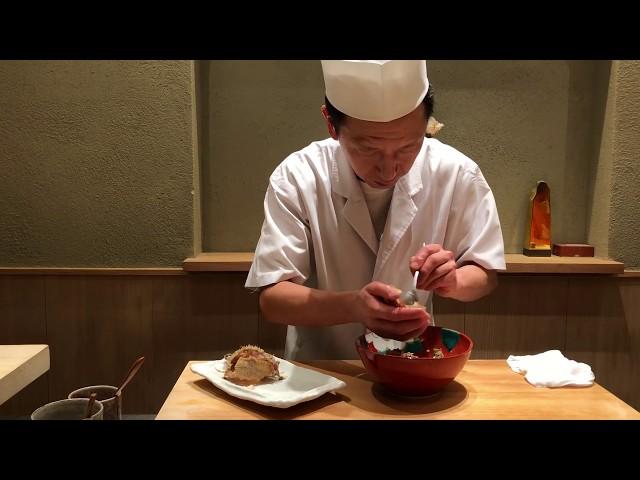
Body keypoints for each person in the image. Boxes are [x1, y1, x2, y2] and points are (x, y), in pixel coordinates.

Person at [246, 60, 505, 360]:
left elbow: (485, 274)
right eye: (369, 149)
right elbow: (273, 298)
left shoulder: (456, 172)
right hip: (321, 371)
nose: (389, 169)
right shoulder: (299, 176)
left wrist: (454, 281)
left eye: (408, 147)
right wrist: (354, 306)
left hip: (412, 365)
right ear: (331, 124)